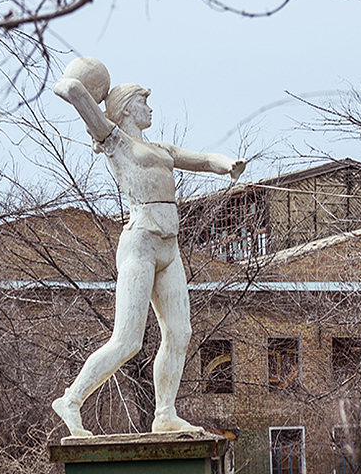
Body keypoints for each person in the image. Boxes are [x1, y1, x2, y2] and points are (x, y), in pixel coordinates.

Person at [51, 58, 245, 437]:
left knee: (180, 332)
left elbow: (205, 159)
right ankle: (71, 399)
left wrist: (228, 165)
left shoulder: (163, 149)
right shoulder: (114, 140)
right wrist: (79, 84)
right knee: (127, 340)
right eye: (143, 100)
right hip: (140, 244)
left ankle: (165, 413)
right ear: (126, 108)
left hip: (169, 249)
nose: (150, 107)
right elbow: (73, 92)